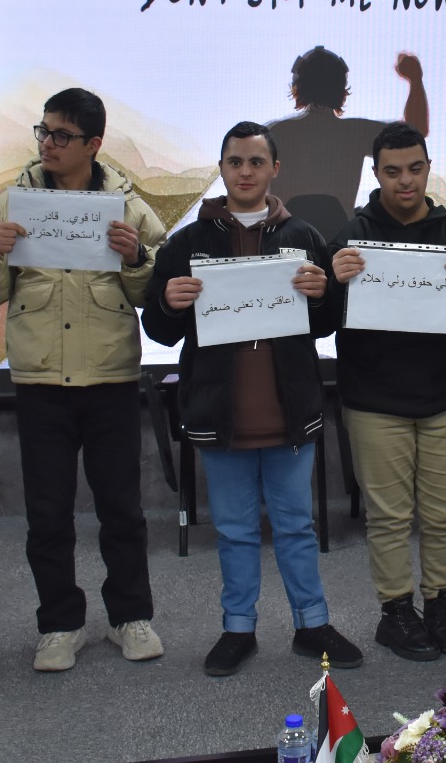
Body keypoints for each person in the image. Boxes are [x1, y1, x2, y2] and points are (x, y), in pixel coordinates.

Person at [142, 121, 362, 677]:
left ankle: (312, 624)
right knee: (235, 531)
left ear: (274, 170)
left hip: (288, 411)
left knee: (296, 526)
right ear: (221, 168)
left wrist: (322, 296)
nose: (245, 172)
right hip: (222, 414)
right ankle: (238, 628)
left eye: (256, 162)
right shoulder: (187, 244)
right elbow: (159, 331)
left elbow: (325, 324)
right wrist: (167, 302)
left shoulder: (305, 237)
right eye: (235, 162)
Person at [0, 88, 166, 673]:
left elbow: (153, 295)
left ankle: (131, 616)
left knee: (122, 510)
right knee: (47, 514)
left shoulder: (128, 206)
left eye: (61, 135)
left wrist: (136, 259)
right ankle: (58, 624)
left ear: (93, 144)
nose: (47, 143)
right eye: (43, 131)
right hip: (41, 381)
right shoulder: (12, 203)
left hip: (110, 377)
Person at [325, 122, 446, 662]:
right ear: (376, 174)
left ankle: (440, 606)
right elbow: (323, 319)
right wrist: (333, 280)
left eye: (415, 169)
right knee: (388, 517)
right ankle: (395, 612)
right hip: (374, 401)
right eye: (393, 172)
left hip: (444, 398)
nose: (405, 181)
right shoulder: (351, 238)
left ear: (428, 168)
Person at [267, 46, 428, 235]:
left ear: (297, 87)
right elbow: (416, 131)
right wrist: (415, 79)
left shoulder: (274, 134)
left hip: (284, 242)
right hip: (339, 244)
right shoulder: (356, 133)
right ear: (342, 91)